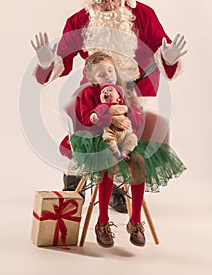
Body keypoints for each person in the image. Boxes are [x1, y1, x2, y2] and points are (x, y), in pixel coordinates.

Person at [30, 0, 188, 213]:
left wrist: (168, 58)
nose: (110, 5)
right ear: (92, 1)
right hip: (96, 88)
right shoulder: (79, 21)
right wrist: (46, 62)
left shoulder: (142, 15)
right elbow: (63, 59)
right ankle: (74, 184)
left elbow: (161, 49)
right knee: (82, 123)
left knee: (127, 135)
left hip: (138, 88)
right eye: (103, 1)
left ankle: (117, 187)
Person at [69, 51, 186, 248]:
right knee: (108, 162)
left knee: (139, 160)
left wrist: (128, 110)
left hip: (126, 137)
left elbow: (138, 122)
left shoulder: (126, 92)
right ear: (92, 79)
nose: (108, 76)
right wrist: (106, 116)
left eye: (110, 70)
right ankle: (103, 221)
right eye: (101, 74)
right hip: (100, 140)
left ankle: (135, 222)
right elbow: (86, 119)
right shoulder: (88, 93)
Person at [90, 83, 138, 161]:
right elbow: (97, 112)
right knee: (108, 137)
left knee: (133, 138)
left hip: (126, 132)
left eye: (110, 90)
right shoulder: (103, 106)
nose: (105, 92)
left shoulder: (124, 107)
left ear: (119, 98)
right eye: (103, 92)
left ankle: (124, 152)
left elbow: (134, 120)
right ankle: (114, 149)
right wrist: (94, 114)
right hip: (112, 131)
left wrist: (130, 111)